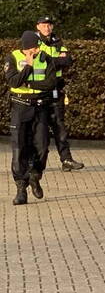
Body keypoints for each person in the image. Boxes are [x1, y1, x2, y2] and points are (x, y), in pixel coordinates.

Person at [6, 30, 58, 205]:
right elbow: (13, 82)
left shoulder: (45, 58)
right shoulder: (12, 58)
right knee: (19, 148)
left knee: (42, 146)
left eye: (37, 47)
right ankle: (21, 189)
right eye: (34, 48)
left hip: (40, 106)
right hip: (20, 107)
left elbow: (51, 83)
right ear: (27, 48)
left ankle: (35, 175)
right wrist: (28, 66)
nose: (37, 51)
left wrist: (30, 83)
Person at [36, 16, 85, 171]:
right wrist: (56, 60)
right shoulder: (33, 41)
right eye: (44, 25)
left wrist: (51, 60)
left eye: (49, 25)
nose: (47, 28)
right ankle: (35, 163)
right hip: (38, 92)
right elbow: (37, 61)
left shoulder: (57, 41)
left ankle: (66, 160)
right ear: (38, 26)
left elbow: (68, 60)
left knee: (60, 127)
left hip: (56, 91)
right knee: (39, 131)